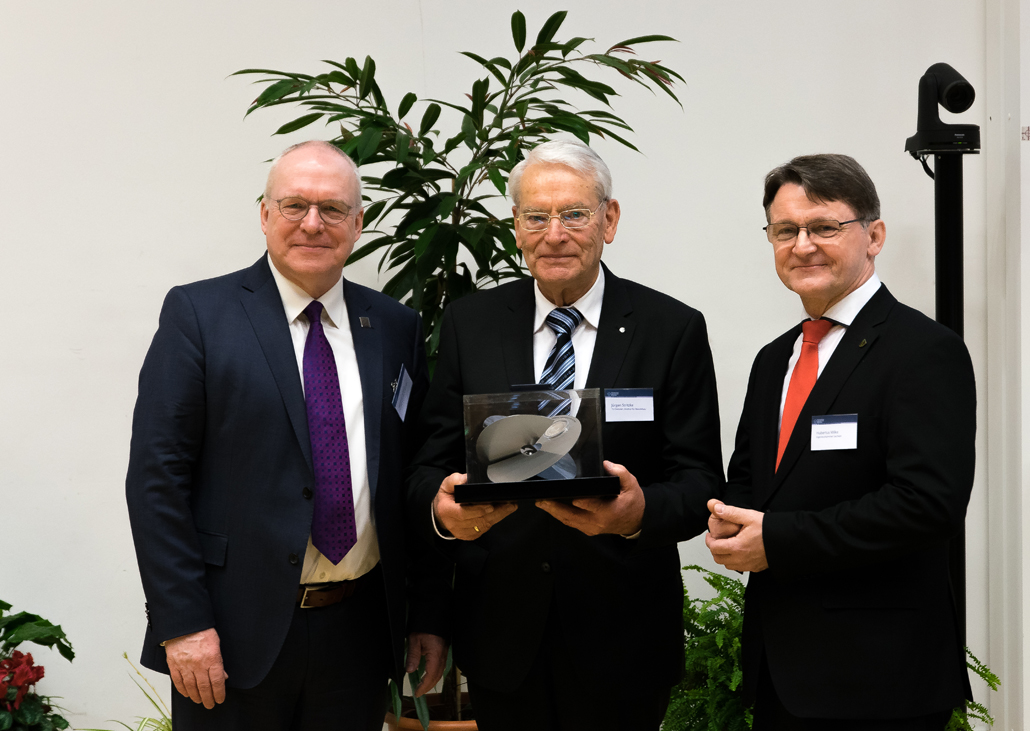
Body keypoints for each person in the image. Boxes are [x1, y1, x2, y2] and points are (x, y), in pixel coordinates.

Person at [125, 140, 449, 730]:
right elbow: (156, 479)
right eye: (295, 204)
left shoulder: (395, 326)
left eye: (331, 209)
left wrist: (425, 613)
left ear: (358, 221)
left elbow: (410, 475)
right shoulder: (199, 315)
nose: (312, 224)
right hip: (228, 635)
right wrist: (183, 622)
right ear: (265, 213)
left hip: (358, 633)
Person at [406, 138, 724, 731]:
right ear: (517, 228)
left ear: (610, 219)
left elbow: (702, 480)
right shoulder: (470, 325)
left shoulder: (670, 329)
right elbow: (428, 466)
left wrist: (636, 513)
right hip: (502, 636)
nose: (555, 233)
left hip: (623, 636)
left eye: (574, 214)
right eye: (537, 216)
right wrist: (442, 511)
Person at [706, 153, 975, 729]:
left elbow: (928, 505)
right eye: (785, 231)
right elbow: (757, 486)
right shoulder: (773, 359)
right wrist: (728, 519)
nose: (802, 245)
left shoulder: (922, 351)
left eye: (824, 226)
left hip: (882, 679)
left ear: (873, 235)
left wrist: (776, 538)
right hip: (781, 672)